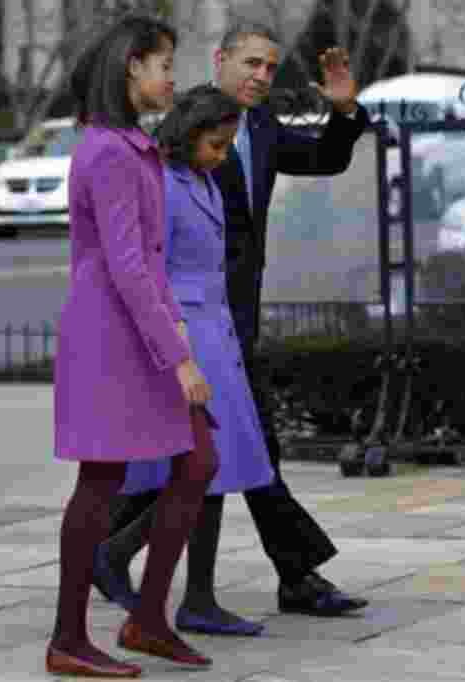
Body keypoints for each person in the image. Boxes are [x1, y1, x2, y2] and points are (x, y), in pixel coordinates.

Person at [95, 22, 371, 619]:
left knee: (220, 456)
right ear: (219, 60)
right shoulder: (182, 129)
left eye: (271, 68)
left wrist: (345, 111)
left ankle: (118, 555)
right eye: (251, 63)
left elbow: (325, 155)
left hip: (232, 319)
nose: (261, 77)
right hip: (193, 327)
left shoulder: (265, 129)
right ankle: (137, 562)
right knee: (225, 456)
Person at [47, 15, 219, 679]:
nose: (171, 77)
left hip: (134, 327)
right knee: (102, 478)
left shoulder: (126, 144)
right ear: (131, 69)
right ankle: (68, 637)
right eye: (163, 64)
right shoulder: (112, 151)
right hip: (109, 333)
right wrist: (177, 355)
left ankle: (147, 620)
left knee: (197, 460)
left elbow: (148, 262)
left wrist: (177, 337)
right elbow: (126, 265)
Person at [113, 84, 275, 637]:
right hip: (188, 335)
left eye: (228, 145)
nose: (223, 155)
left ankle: (189, 592)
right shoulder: (163, 185)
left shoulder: (199, 179)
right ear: (186, 135)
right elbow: (150, 269)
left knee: (211, 469)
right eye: (216, 144)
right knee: (198, 468)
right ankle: (146, 572)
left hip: (214, 331)